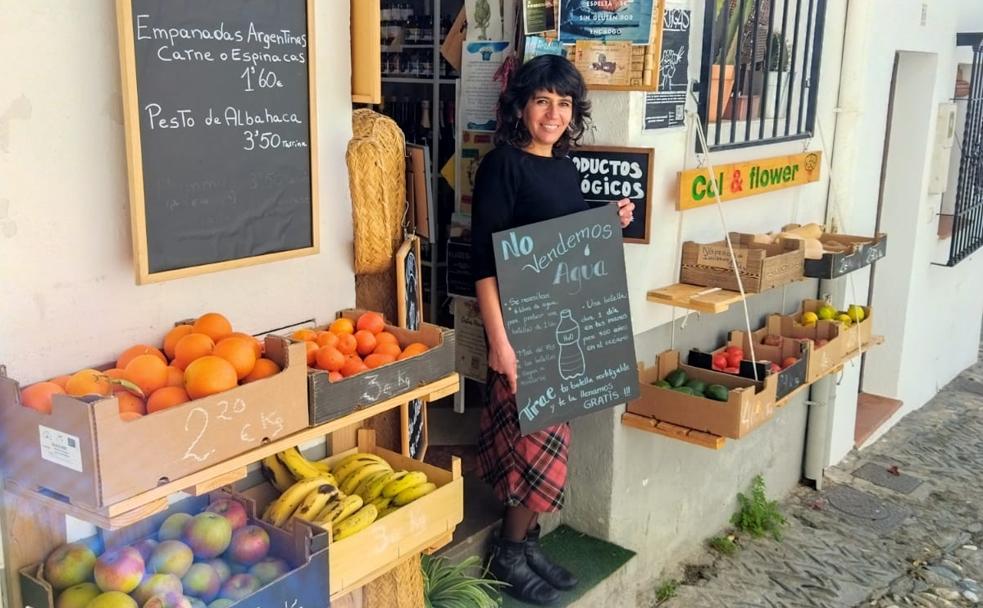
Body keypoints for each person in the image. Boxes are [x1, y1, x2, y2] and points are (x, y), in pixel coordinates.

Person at [470, 54, 634, 605]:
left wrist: (605, 219)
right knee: (529, 446)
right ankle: (507, 553)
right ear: (521, 105)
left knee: (545, 440)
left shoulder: (563, 166)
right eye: (543, 100)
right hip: (521, 329)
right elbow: (486, 266)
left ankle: (528, 541)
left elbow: (558, 241)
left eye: (564, 103)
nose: (554, 113)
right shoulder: (502, 165)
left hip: (561, 329)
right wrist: (499, 343)